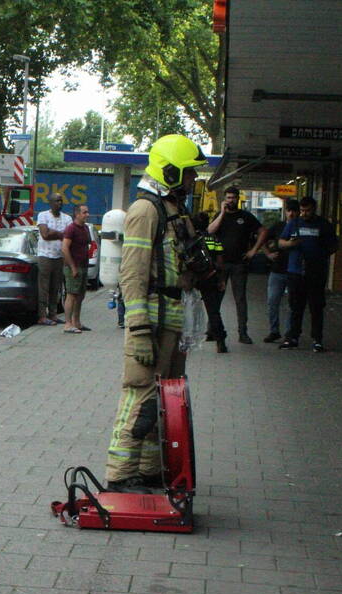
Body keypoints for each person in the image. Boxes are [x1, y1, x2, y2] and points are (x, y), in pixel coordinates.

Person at [105, 134, 205, 493]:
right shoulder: (146, 210)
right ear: (171, 171)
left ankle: (148, 470)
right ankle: (118, 474)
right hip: (151, 319)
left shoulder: (173, 211)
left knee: (165, 397)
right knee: (140, 394)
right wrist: (139, 327)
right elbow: (131, 273)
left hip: (172, 318)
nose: (194, 180)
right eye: (189, 173)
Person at [278, 196, 336, 352]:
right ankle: (293, 337)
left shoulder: (323, 225)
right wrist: (290, 244)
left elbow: (333, 246)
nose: (304, 213)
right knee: (295, 306)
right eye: (302, 210)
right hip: (295, 271)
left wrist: (319, 254)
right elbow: (281, 242)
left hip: (316, 272)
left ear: (314, 209)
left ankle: (317, 339)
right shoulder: (294, 223)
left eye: (307, 210)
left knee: (316, 307)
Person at [207, 186, 263, 344]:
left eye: (234, 198)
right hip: (221, 263)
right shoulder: (220, 215)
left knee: (240, 299)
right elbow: (210, 231)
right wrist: (223, 213)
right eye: (228, 198)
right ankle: (212, 329)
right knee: (216, 297)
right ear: (224, 199)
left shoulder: (245, 217)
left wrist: (253, 250)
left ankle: (243, 333)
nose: (231, 200)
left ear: (238, 199)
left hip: (239, 263)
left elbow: (263, 231)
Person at [262, 199, 298, 343]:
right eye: (289, 211)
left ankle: (290, 333)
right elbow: (262, 238)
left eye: (294, 211)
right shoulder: (279, 226)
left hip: (294, 271)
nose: (291, 214)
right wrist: (268, 254)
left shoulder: (301, 227)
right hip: (277, 270)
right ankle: (274, 330)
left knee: (292, 303)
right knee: (272, 301)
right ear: (285, 211)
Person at [35, 193, 72, 325]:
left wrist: (54, 233)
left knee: (55, 287)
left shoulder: (67, 218)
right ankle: (42, 316)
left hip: (59, 256)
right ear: (50, 203)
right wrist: (59, 234)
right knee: (43, 287)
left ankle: (53, 314)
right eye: (57, 201)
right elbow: (45, 234)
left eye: (61, 200)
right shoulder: (42, 215)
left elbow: (68, 236)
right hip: (45, 256)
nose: (60, 203)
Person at [193, 213, 228, 353]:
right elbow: (220, 261)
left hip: (193, 278)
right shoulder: (213, 238)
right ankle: (220, 341)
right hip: (210, 276)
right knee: (213, 311)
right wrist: (221, 279)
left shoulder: (191, 239)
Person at [61, 205, 91, 333]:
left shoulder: (85, 228)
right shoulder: (70, 229)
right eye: (84, 212)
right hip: (73, 267)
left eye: (87, 212)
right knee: (71, 294)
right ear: (77, 214)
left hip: (83, 266)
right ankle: (68, 324)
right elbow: (64, 248)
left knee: (80, 295)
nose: (87, 214)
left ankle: (76, 322)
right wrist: (72, 266)